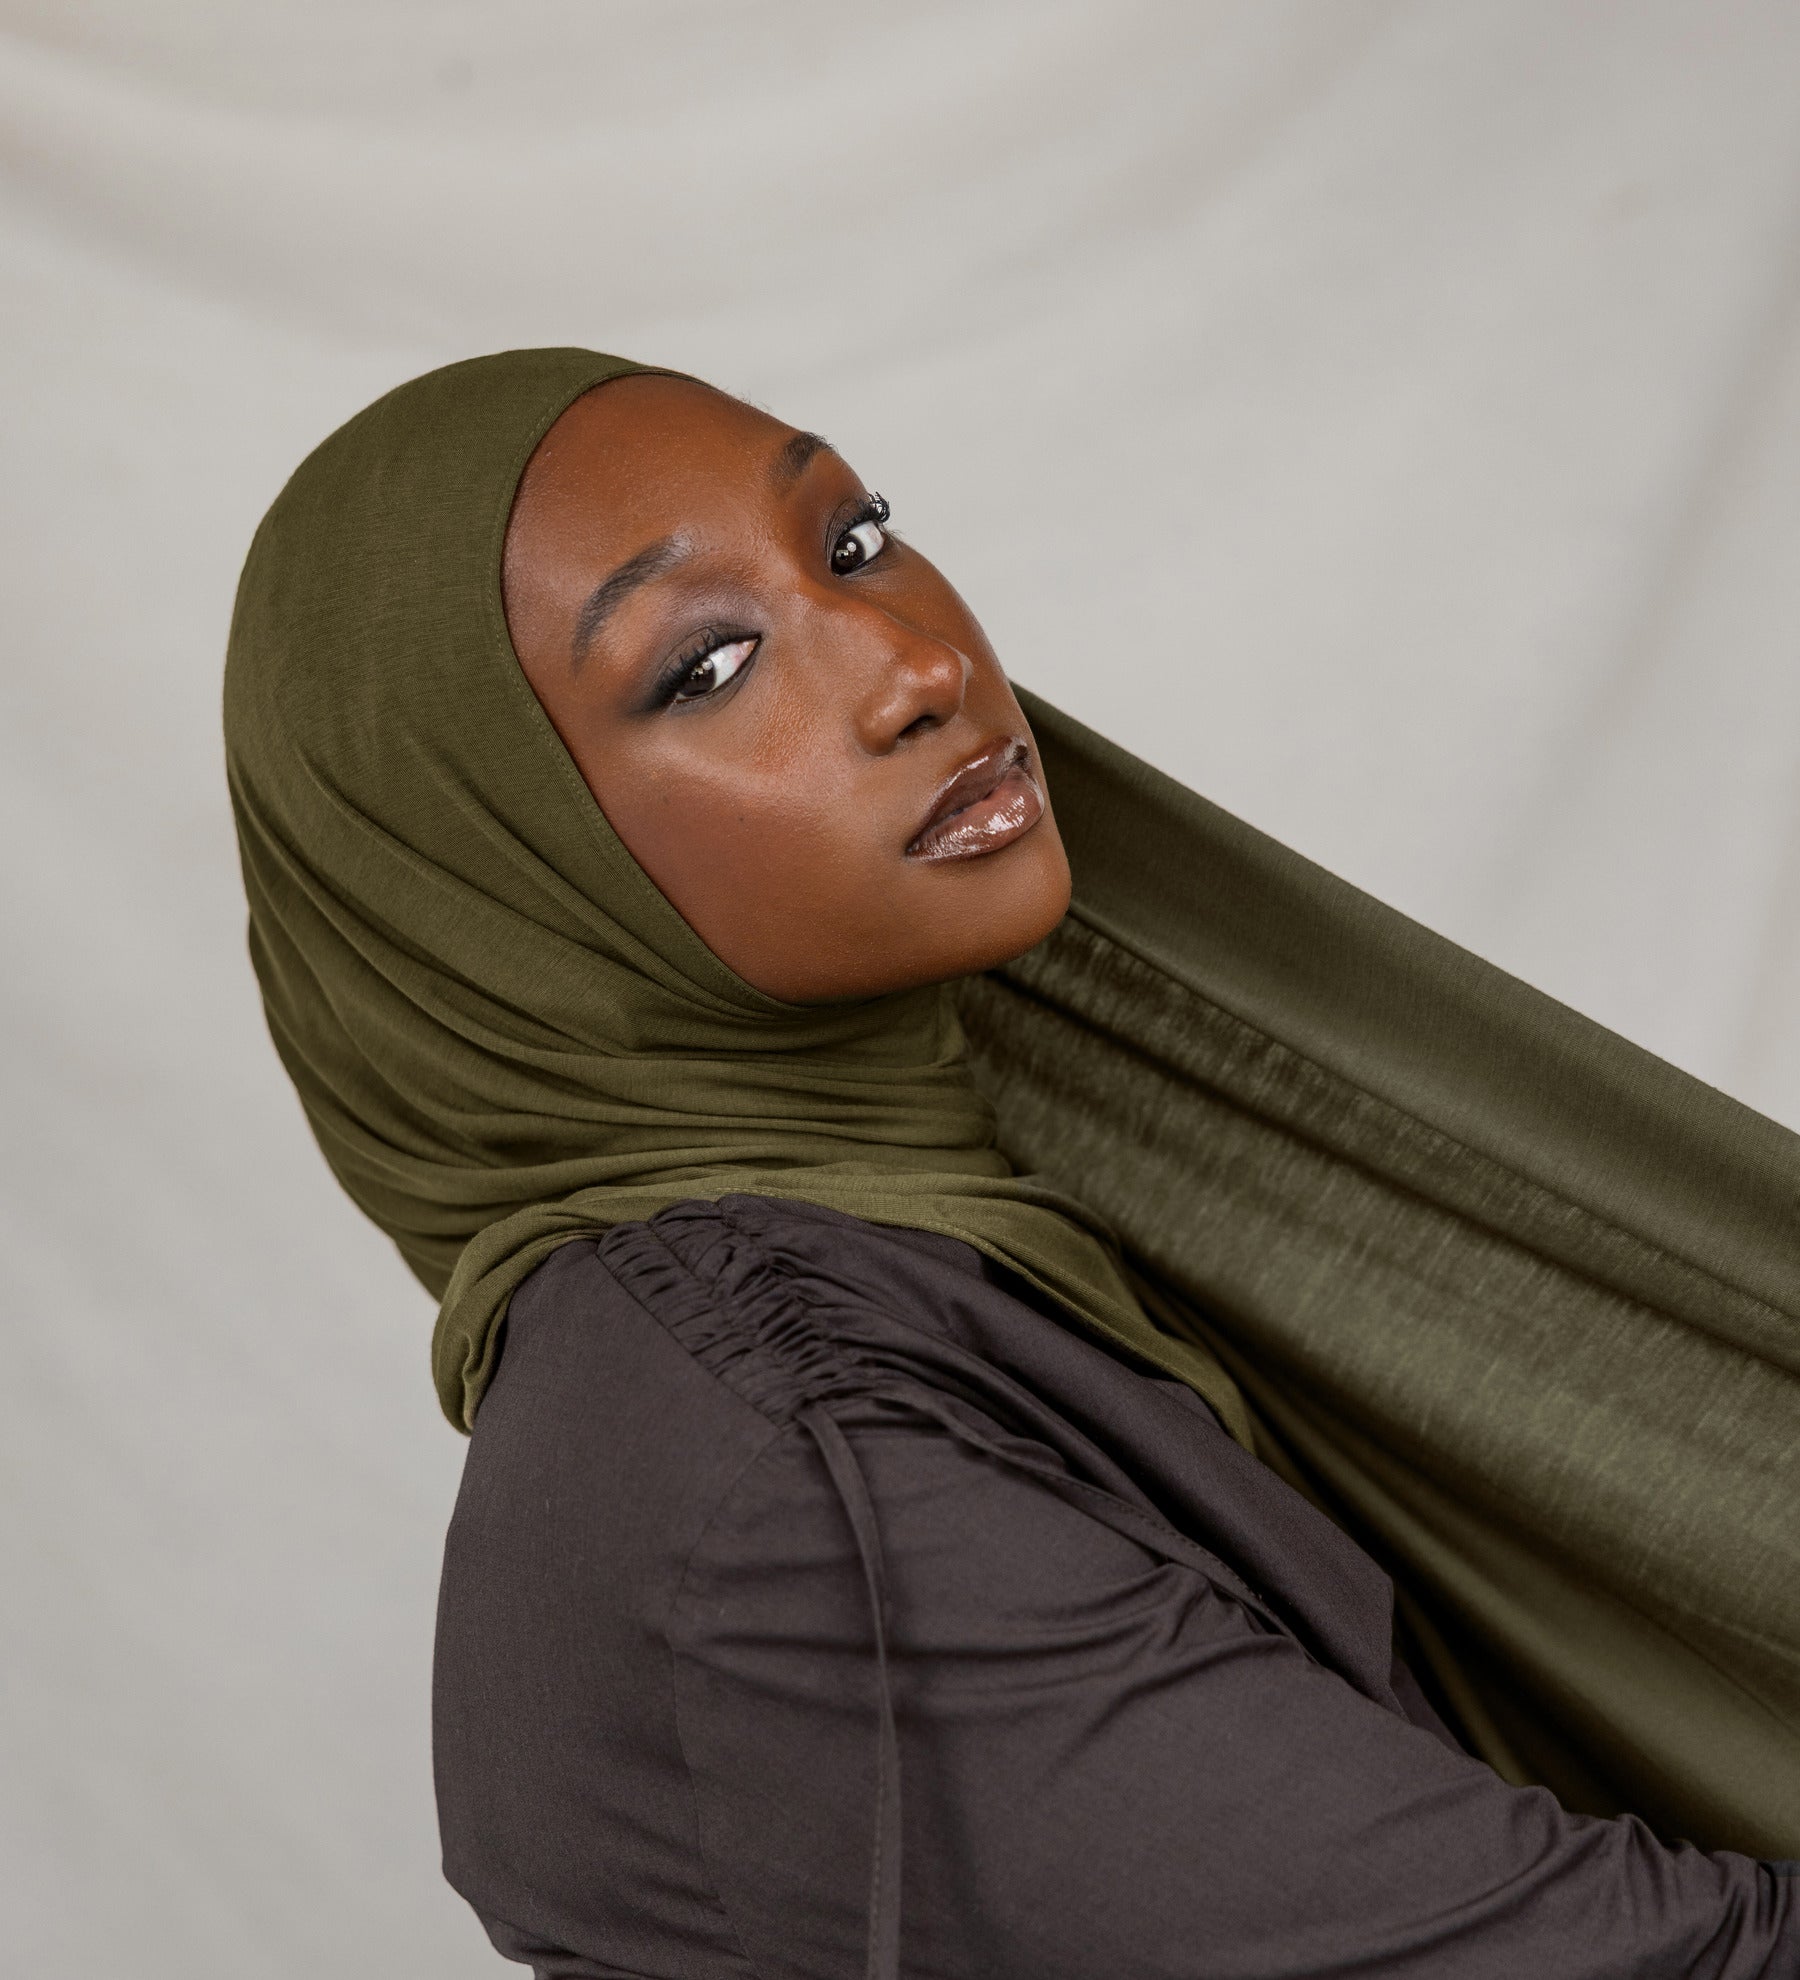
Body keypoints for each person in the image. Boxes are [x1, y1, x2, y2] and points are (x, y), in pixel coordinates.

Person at [223, 351, 1797, 1978]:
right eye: (708, 665)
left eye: (853, 543)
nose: (917, 666)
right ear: (491, 882)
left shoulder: (899, 1275)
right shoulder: (803, 1457)